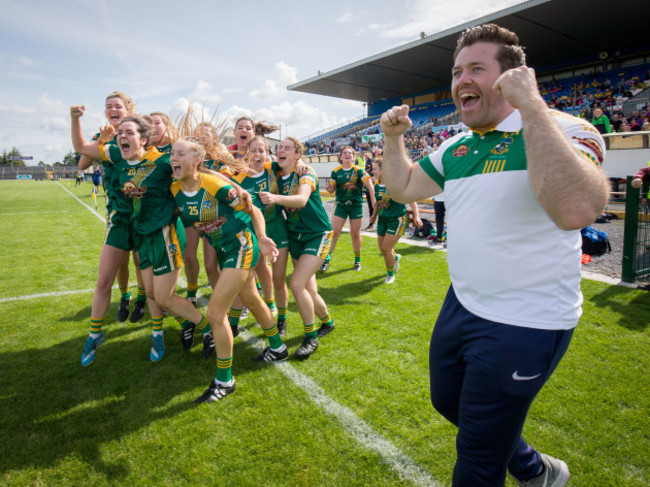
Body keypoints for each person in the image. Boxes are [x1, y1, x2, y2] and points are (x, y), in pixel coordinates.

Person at [380, 23, 609, 487]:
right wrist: (392, 138)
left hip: (526, 320)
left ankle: (525, 470)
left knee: (478, 457)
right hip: (463, 303)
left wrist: (531, 107)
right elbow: (402, 188)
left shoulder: (567, 128)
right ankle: (534, 469)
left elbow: (578, 209)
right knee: (449, 403)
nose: (461, 79)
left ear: (512, 77)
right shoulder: (456, 145)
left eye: (477, 68)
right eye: (457, 70)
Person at [170, 136, 285, 403]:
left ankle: (225, 381)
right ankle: (278, 349)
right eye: (173, 153)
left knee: (214, 312)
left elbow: (252, 207)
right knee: (252, 300)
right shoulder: (175, 189)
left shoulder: (213, 184)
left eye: (181, 154)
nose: (174, 158)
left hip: (242, 246)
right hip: (225, 250)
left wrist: (263, 237)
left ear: (197, 161)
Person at [260, 137, 335, 357]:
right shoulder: (275, 171)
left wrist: (274, 198)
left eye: (286, 148)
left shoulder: (305, 171)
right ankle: (327, 322)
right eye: (279, 147)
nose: (280, 150)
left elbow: (302, 200)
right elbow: (253, 161)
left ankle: (310, 337)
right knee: (308, 290)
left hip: (317, 234)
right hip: (296, 236)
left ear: (297, 155)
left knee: (296, 284)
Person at [233, 135, 289, 335]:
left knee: (280, 277)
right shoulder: (238, 177)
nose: (257, 155)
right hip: (255, 231)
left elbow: (292, 160)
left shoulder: (273, 169)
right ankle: (268, 302)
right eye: (253, 151)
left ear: (267, 154)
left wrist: (300, 163)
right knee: (259, 267)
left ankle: (280, 316)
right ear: (246, 153)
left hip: (277, 227)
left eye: (261, 151)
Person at [321, 146, 376, 272]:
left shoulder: (359, 171)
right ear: (341, 157)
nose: (347, 155)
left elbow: (370, 187)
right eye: (345, 153)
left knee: (355, 234)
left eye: (350, 153)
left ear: (353, 156)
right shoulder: (336, 172)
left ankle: (357, 261)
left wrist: (374, 204)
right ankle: (327, 259)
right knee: (334, 233)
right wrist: (330, 189)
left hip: (356, 206)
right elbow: (332, 189)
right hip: (341, 205)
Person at [367, 157, 422, 284]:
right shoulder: (376, 184)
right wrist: (374, 216)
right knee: (383, 248)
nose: (372, 171)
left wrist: (417, 216)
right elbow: (378, 204)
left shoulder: (395, 184)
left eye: (374, 169)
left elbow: (411, 199)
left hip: (397, 219)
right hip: (383, 219)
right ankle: (395, 257)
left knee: (386, 249)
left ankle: (390, 275)